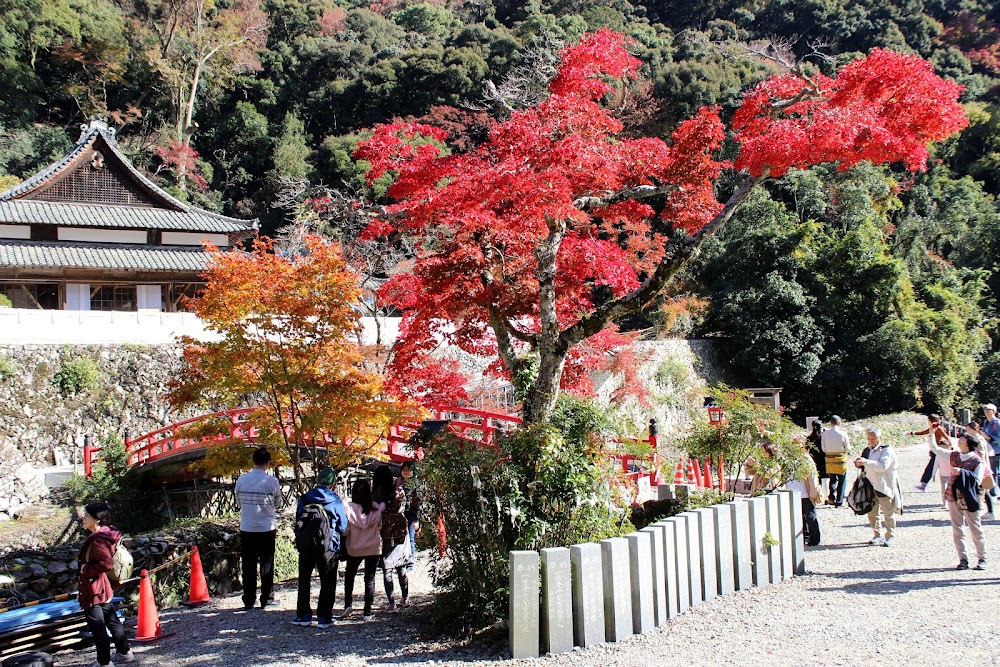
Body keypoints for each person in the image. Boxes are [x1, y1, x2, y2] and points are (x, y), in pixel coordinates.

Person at [78, 501, 134, 667]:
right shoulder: (108, 534)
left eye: (86, 515)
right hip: (104, 586)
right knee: (111, 619)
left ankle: (104, 662)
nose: (83, 518)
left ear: (96, 519)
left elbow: (106, 564)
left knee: (98, 626)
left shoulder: (97, 540)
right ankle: (124, 652)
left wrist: (86, 568)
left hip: (94, 587)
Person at [292, 466, 348, 628]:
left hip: (306, 544)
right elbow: (343, 527)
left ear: (316, 481)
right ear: (332, 483)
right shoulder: (335, 501)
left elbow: (298, 520)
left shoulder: (305, 498)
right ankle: (324, 617)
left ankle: (303, 615)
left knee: (304, 580)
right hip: (329, 546)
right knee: (328, 581)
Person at [930, 431, 988, 570]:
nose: (959, 439)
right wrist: (932, 433)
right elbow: (935, 449)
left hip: (969, 497)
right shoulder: (954, 455)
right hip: (953, 495)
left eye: (962, 437)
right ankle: (963, 559)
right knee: (957, 529)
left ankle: (982, 558)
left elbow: (977, 480)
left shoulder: (977, 461)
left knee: (975, 528)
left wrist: (961, 472)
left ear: (968, 443)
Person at [234, 448, 282, 610]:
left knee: (248, 565)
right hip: (266, 527)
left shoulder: (241, 479)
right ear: (268, 463)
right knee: (266, 564)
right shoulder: (272, 481)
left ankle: (249, 599)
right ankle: (267, 598)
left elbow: (238, 502)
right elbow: (278, 504)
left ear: (253, 461)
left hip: (247, 527)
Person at [342, 478, 383, 621]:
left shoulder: (348, 507)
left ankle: (348, 604)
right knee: (369, 578)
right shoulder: (376, 508)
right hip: (373, 546)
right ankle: (367, 611)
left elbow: (345, 530)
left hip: (354, 547)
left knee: (350, 575)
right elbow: (380, 526)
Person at [373, 464, 412, 610]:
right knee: (401, 565)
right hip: (400, 530)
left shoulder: (376, 493)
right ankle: (405, 598)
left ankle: (391, 603)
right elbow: (405, 507)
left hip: (385, 531)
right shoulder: (398, 491)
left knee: (387, 566)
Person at [855, 427, 901, 547]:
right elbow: (864, 466)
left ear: (880, 438)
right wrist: (859, 463)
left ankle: (890, 536)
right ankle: (877, 534)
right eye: (869, 439)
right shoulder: (867, 450)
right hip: (870, 485)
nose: (871, 441)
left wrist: (866, 462)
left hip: (884, 485)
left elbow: (882, 466)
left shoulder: (887, 450)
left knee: (888, 512)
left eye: (873, 439)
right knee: (872, 512)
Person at [787, 442, 823, 546]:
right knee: (798, 517)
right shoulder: (789, 460)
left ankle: (815, 538)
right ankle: (803, 537)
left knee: (810, 516)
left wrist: (813, 492)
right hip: (793, 492)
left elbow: (813, 477)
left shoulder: (806, 459)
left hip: (805, 492)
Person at [910, 414, 951, 502]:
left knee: (931, 468)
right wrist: (912, 433)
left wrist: (950, 446)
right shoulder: (933, 427)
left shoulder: (938, 428)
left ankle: (924, 484)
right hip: (935, 451)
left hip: (939, 450)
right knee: (931, 467)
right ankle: (924, 484)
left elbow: (947, 437)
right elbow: (924, 432)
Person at [821, 415, 852, 506]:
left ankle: (831, 497)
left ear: (830, 423)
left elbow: (823, 448)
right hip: (841, 458)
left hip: (829, 459)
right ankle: (839, 500)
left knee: (832, 479)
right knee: (842, 480)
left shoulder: (825, 433)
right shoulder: (843, 433)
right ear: (839, 423)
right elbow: (848, 448)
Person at [398, 461, 421, 573]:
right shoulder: (398, 483)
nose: (406, 472)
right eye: (404, 469)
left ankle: (410, 563)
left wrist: (417, 519)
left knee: (410, 538)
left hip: (411, 514)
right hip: (399, 514)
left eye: (408, 470)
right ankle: (401, 560)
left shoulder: (416, 484)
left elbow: (418, 503)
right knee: (400, 538)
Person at [982, 403, 1000, 501]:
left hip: (996, 450)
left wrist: (989, 438)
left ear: (993, 411)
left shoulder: (997, 423)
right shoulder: (986, 423)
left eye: (988, 409)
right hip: (988, 450)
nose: (986, 411)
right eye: (985, 410)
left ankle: (993, 492)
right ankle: (992, 491)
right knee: (990, 470)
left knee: (995, 471)